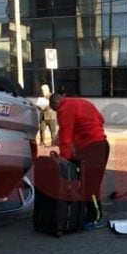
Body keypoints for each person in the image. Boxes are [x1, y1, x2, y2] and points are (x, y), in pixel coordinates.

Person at [49, 93, 110, 230]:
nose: (57, 115)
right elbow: (101, 119)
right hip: (102, 145)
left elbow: (65, 138)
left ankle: (96, 218)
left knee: (90, 186)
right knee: (91, 183)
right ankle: (87, 214)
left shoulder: (64, 110)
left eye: (55, 111)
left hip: (92, 148)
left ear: (55, 105)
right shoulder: (82, 102)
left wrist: (63, 161)